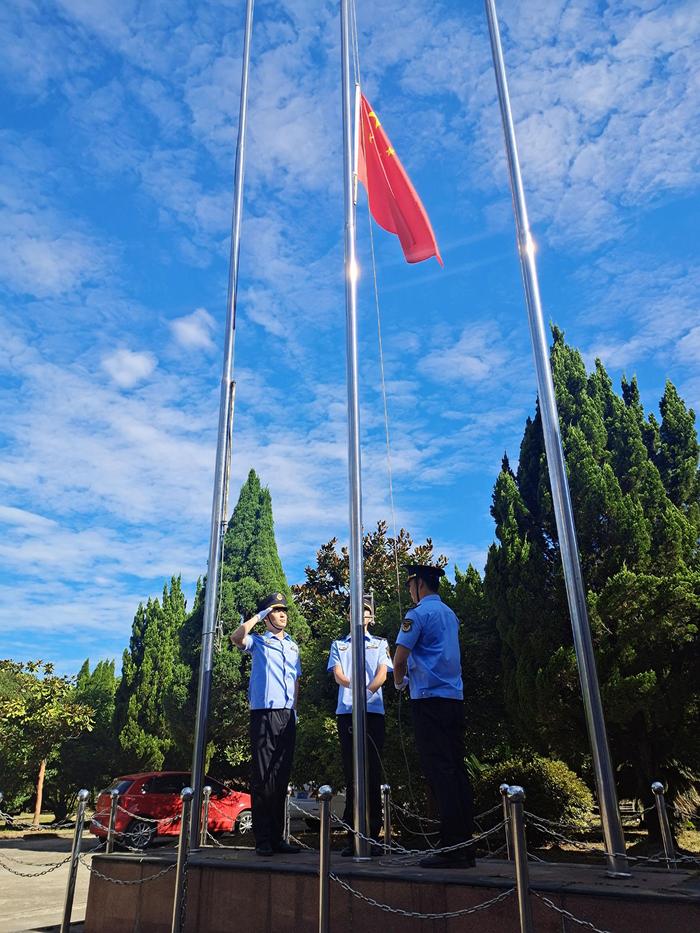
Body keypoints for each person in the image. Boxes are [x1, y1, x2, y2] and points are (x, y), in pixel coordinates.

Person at [393, 564, 475, 868]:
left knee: (439, 772)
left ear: (419, 585)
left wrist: (399, 683)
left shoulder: (417, 615)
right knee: (456, 770)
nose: (409, 592)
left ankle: (451, 847)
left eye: (410, 585)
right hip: (453, 699)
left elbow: (399, 658)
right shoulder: (450, 614)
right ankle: (465, 845)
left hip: (428, 700)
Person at [231, 592, 302, 857]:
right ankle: (262, 839)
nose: (283, 614)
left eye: (284, 610)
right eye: (276, 610)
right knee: (262, 777)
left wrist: (295, 710)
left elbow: (296, 680)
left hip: (286, 714)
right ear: (267, 616)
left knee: (281, 778)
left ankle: (277, 837)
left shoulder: (293, 646)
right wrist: (258, 615)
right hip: (263, 713)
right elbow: (236, 638)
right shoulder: (258, 642)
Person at [328, 596, 393, 856]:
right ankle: (352, 836)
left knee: (372, 773)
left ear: (371, 618)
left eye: (365, 612)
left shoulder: (380, 643)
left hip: (373, 711)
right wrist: (354, 690)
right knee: (352, 775)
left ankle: (373, 836)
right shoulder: (339, 645)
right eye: (355, 612)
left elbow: (383, 673)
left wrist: (367, 692)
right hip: (347, 712)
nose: (361, 616)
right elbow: (338, 674)